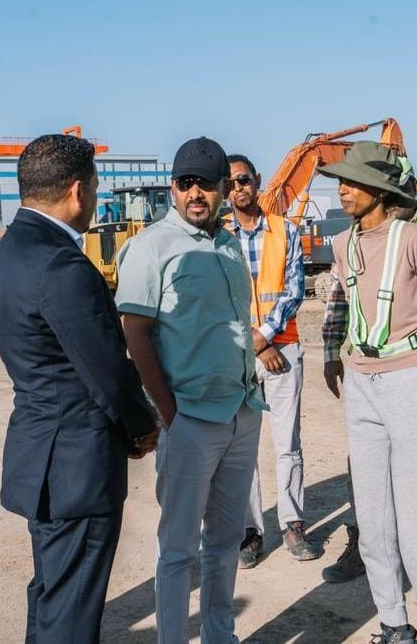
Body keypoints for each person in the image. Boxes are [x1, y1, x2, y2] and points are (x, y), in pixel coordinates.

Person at [0, 133, 158, 644]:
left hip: (44, 456)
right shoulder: (60, 263)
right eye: (97, 188)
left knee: (52, 597)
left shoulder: (12, 251)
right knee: (72, 612)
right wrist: (143, 425)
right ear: (78, 191)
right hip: (76, 465)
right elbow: (105, 369)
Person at [117, 136, 267, 644]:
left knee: (225, 541)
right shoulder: (150, 247)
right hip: (190, 419)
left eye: (205, 183)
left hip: (241, 412)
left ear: (224, 187)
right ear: (173, 187)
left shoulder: (228, 244)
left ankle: (220, 636)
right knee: (179, 549)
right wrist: (169, 414)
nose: (195, 193)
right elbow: (136, 334)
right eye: (185, 183)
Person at [319, 141, 417, 644]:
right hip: (362, 384)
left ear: (380, 191)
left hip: (411, 381)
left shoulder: (414, 239)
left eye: (352, 182)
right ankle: (394, 625)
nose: (342, 190)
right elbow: (343, 306)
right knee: (374, 520)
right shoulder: (343, 243)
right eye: (340, 181)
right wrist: (336, 357)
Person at [223, 153, 317, 569]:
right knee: (242, 447)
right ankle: (250, 531)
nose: (238, 188)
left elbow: (294, 290)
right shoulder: (217, 238)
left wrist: (266, 336)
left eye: (243, 180)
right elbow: (219, 298)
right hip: (240, 354)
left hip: (285, 348)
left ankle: (293, 523)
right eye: (230, 183)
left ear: (258, 181)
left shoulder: (286, 230)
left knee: (287, 443)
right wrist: (256, 345)